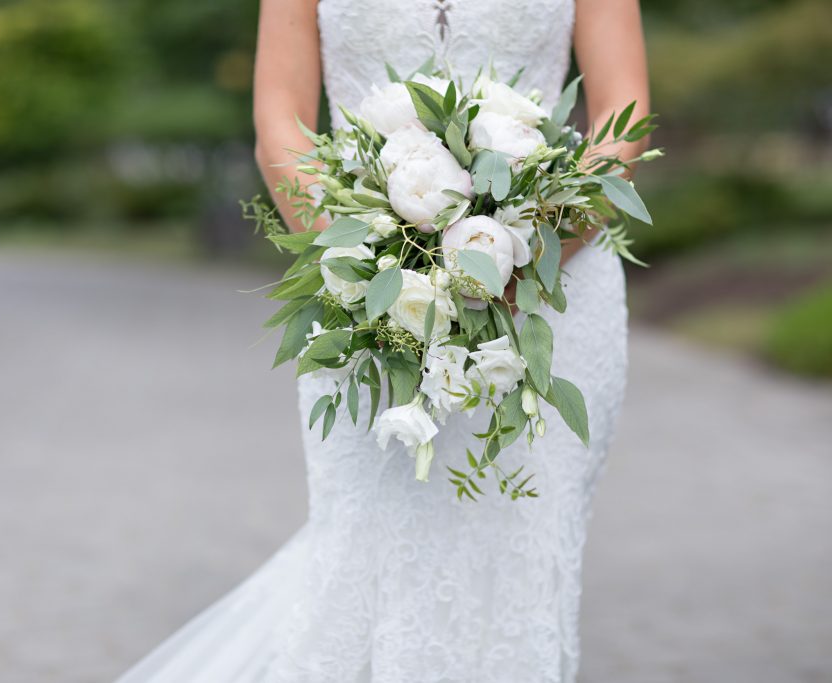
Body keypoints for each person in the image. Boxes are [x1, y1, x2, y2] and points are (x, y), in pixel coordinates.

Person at [117, 1, 649, 680]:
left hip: (553, 289)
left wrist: (529, 247)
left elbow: (623, 111)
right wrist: (370, 264)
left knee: (520, 552)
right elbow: (280, 122)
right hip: (369, 295)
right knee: (370, 549)